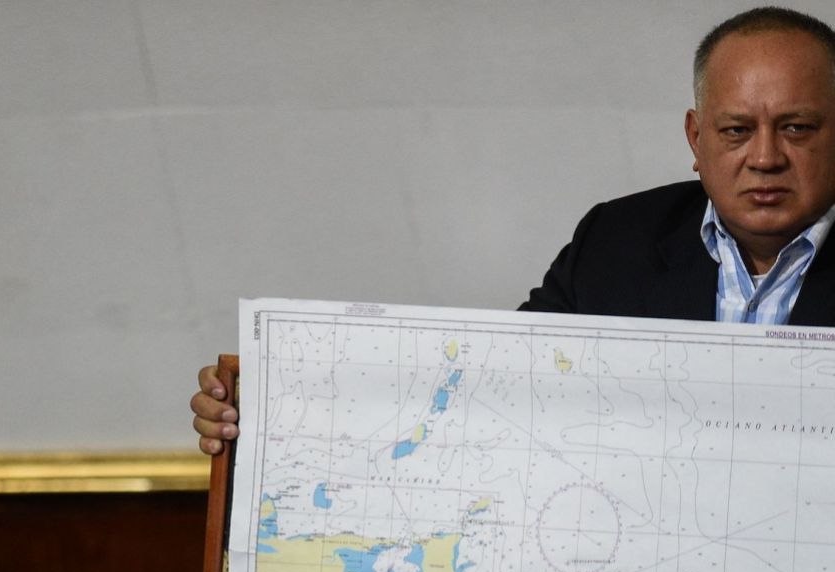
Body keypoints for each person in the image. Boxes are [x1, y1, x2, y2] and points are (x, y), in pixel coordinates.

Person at [190, 5, 835, 454]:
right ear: (696, 138)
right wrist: (268, 414)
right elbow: (492, 394)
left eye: (797, 128)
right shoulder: (616, 242)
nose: (765, 156)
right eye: (736, 130)